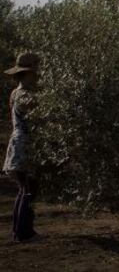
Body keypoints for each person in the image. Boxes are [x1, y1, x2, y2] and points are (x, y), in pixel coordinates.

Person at [2, 52, 40, 242]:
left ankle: (20, 232)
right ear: (26, 74)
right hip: (24, 147)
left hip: (20, 145)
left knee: (24, 189)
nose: (36, 76)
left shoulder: (16, 92)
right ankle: (24, 233)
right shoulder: (24, 95)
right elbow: (40, 110)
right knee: (29, 189)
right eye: (34, 73)